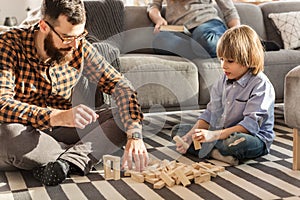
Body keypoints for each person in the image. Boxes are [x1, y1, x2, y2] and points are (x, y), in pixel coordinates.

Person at [0, 0, 148, 186]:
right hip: (25, 132)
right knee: (7, 135)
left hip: (64, 131)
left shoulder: (79, 46)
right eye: (68, 38)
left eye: (81, 35)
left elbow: (121, 86)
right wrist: (57, 116)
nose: (76, 45)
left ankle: (61, 163)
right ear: (44, 26)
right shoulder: (9, 45)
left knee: (123, 117)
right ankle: (77, 157)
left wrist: (134, 134)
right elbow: (2, 104)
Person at [172, 25, 275, 165]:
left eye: (230, 61)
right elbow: (210, 113)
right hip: (221, 132)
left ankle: (211, 150)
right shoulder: (222, 80)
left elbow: (250, 126)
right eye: (221, 59)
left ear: (248, 59)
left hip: (252, 137)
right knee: (179, 130)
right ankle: (217, 153)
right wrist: (190, 136)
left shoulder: (260, 84)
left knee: (237, 142)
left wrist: (212, 135)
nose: (223, 66)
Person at [147, 0, 241, 59]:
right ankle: (200, 50)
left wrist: (238, 35)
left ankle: (229, 45)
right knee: (160, 41)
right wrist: (158, 19)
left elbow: (229, 11)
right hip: (179, 31)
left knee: (204, 39)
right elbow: (153, 6)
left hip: (206, 23)